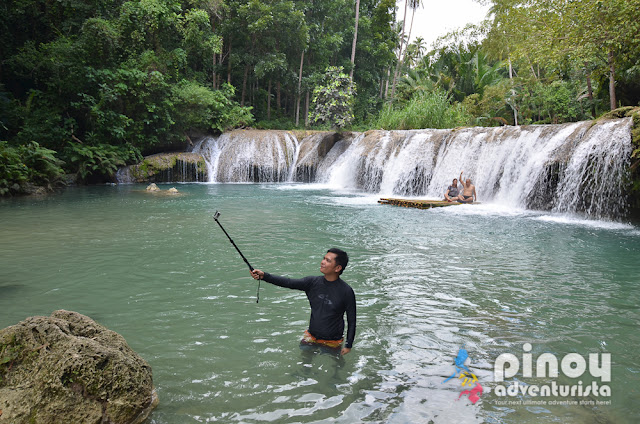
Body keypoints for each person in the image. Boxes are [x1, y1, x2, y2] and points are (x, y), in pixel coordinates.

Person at [250, 248, 356, 356]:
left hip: (333, 341)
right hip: (311, 336)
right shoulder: (312, 283)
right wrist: (264, 276)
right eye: (324, 258)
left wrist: (348, 345)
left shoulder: (346, 291)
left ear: (337, 268)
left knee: (335, 366)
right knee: (305, 361)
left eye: (328, 261)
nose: (323, 262)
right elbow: (288, 282)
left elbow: (352, 321)